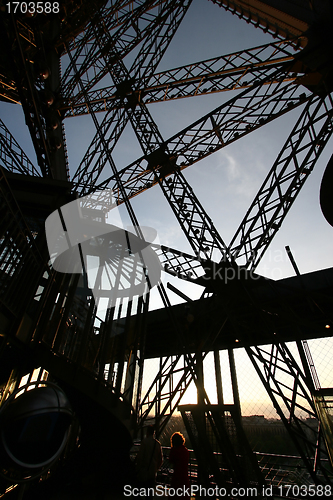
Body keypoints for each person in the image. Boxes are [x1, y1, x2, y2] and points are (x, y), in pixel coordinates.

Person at [169, 432, 190, 498]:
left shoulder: (175, 451)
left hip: (176, 478)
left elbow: (171, 460)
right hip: (184, 478)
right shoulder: (185, 451)